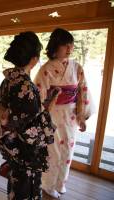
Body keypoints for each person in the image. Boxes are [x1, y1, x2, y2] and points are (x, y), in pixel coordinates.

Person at [34, 28, 94, 198]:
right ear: (55, 47)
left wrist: (82, 116)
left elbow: (83, 91)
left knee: (68, 150)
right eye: (65, 45)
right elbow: (39, 95)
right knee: (52, 152)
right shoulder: (45, 69)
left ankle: (60, 183)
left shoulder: (77, 67)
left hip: (71, 114)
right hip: (51, 114)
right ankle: (47, 185)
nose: (69, 48)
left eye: (71, 45)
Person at [0, 31, 57, 200]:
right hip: (25, 151)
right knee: (26, 190)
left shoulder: (9, 80)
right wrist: (47, 110)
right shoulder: (26, 87)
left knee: (15, 185)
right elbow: (31, 127)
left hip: (12, 146)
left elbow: (22, 114)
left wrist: (42, 106)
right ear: (33, 58)